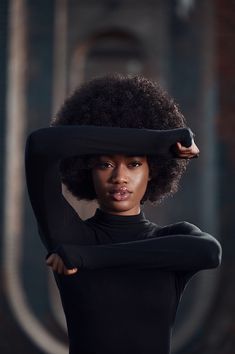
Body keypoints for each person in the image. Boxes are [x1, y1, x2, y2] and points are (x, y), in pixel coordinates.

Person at [25, 74, 221, 354]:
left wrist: (87, 257)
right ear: (88, 170)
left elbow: (209, 252)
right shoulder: (69, 234)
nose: (120, 177)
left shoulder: (173, 240)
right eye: (105, 163)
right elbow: (41, 145)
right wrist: (158, 142)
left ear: (152, 171)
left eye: (134, 163)